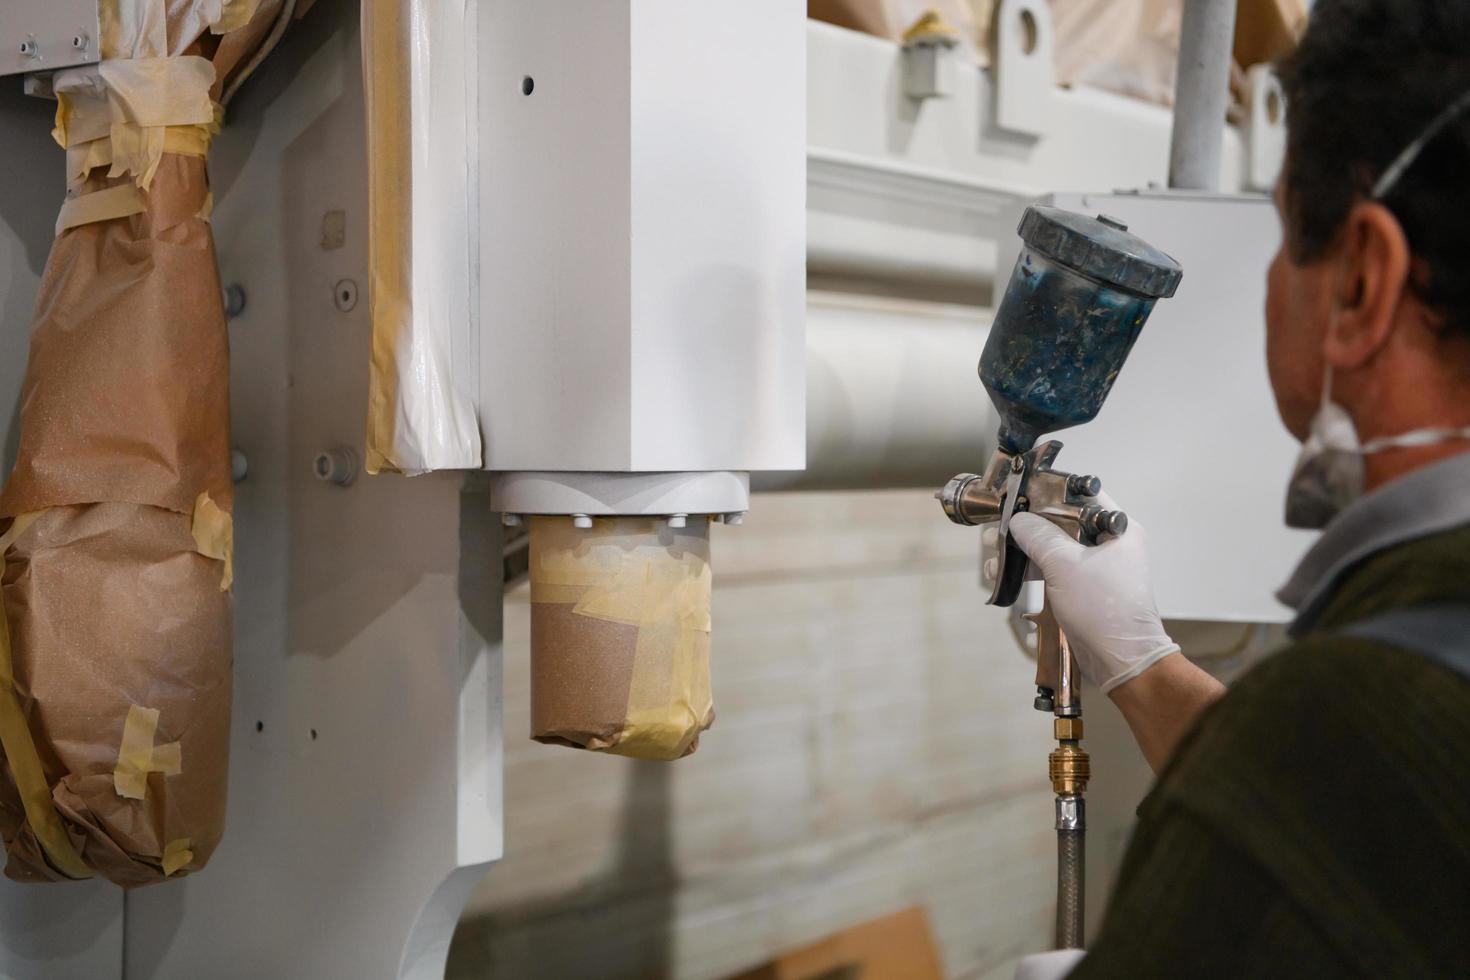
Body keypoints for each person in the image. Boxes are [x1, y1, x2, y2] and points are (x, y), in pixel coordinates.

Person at [1009, 1, 1470, 976]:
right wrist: (1142, 663)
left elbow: (1333, 759)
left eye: (1276, 236)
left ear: (1360, 286)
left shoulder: (1353, 703)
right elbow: (1349, 816)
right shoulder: (1363, 716)